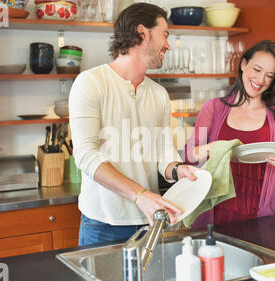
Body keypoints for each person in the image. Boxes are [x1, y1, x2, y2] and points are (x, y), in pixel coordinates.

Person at [69, 3, 199, 246]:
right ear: (143, 32)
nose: (168, 45)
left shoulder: (159, 94)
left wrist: (177, 169)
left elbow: (163, 152)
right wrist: (140, 195)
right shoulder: (90, 83)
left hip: (148, 220)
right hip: (102, 224)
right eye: (165, 35)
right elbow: (86, 156)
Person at [184, 40, 275, 227]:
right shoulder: (214, 108)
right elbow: (189, 155)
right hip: (212, 217)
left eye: (269, 75)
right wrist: (212, 148)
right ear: (243, 64)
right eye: (256, 69)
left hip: (259, 219)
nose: (260, 80)